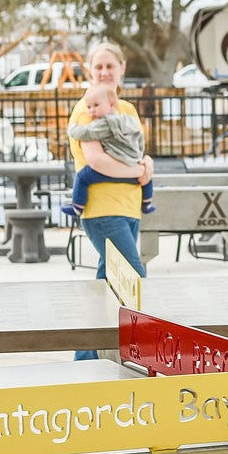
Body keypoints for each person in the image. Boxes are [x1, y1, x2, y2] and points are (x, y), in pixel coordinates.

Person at [67, 42, 152, 360]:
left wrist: (147, 164)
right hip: (103, 210)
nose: (104, 72)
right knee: (135, 276)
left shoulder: (126, 110)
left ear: (122, 69)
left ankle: (87, 358)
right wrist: (136, 171)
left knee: (109, 281)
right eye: (98, 66)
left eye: (109, 66)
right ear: (90, 70)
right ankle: (98, 357)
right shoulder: (88, 108)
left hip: (129, 208)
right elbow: (96, 160)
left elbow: (134, 150)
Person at [67, 83, 155, 216]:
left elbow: (86, 133)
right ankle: (147, 203)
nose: (91, 111)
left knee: (82, 177)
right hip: (133, 163)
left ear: (111, 104)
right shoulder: (127, 119)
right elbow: (139, 137)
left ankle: (77, 207)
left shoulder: (104, 123)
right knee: (147, 180)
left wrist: (72, 128)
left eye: (96, 106)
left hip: (114, 167)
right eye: (89, 107)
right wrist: (138, 158)